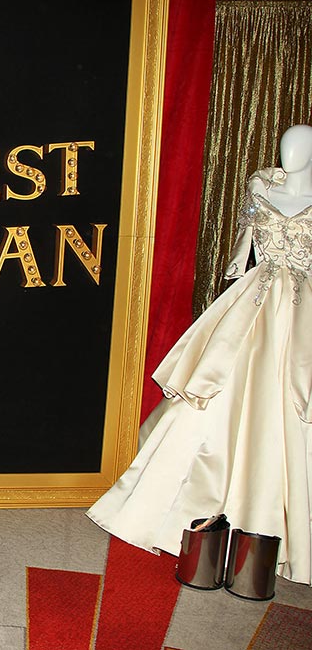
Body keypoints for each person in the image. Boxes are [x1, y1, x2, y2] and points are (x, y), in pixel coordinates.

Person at [87, 124, 312, 586]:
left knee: (288, 401)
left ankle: (271, 530)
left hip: (300, 311)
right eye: (285, 145)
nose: (289, 153)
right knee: (212, 392)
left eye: (300, 147)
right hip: (251, 302)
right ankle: (178, 510)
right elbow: (244, 249)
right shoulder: (260, 185)